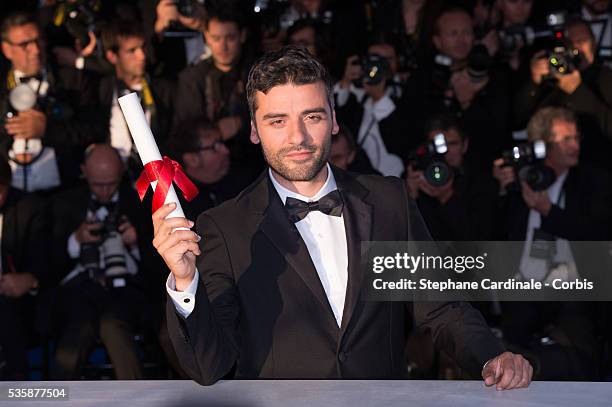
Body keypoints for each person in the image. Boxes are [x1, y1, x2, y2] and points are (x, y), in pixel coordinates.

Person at [153, 45, 532, 388]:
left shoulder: (388, 200)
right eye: (277, 121)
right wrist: (186, 283)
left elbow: (441, 306)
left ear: (333, 120)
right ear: (254, 130)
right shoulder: (225, 226)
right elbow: (208, 367)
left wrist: (490, 356)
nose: (298, 137)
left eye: (312, 116)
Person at [493, 106, 612, 380]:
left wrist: (549, 212)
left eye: (576, 138)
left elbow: (598, 233)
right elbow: (494, 230)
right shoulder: (522, 179)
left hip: (573, 289)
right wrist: (501, 189)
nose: (574, 145)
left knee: (576, 356)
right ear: (542, 145)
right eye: (565, 139)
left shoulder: (593, 181)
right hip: (523, 286)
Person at [50, 144, 148, 380]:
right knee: (77, 331)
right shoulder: (63, 203)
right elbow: (48, 264)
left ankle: (139, 399)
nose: (104, 192)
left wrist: (136, 243)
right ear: (84, 171)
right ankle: (53, 399)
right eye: (97, 184)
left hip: (127, 294)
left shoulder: (140, 203)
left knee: (113, 326)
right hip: (79, 293)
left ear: (122, 172)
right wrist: (76, 240)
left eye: (111, 183)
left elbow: (157, 272)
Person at [0, 12, 101, 193]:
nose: (36, 50)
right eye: (25, 45)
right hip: (12, 196)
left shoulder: (74, 81)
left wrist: (48, 130)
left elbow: (94, 130)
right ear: (7, 50)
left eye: (38, 41)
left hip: (63, 193)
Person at [513, 18, 612, 170]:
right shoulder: (550, 80)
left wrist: (577, 90)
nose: (575, 48)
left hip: (596, 165)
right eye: (569, 43)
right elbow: (517, 120)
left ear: (594, 43)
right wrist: (534, 82)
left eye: (582, 41)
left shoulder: (606, 78)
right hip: (550, 168)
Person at [97, 18, 175, 182]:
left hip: (157, 181)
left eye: (143, 47)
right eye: (132, 50)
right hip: (113, 181)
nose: (142, 56)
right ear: (112, 56)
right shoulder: (101, 89)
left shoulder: (164, 89)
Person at [0, 157, 47, 380]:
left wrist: (30, 278)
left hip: (20, 306)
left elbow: (46, 261)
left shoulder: (30, 207)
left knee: (6, 309)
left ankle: (17, 388)